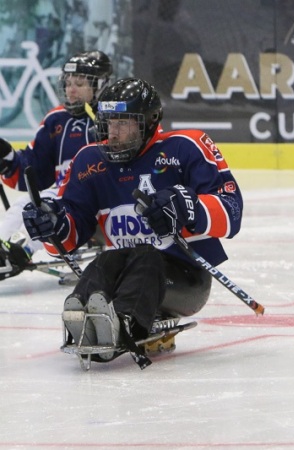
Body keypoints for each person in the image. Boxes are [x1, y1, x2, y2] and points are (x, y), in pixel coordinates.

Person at [22, 77, 243, 368]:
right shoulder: (90, 160)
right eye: (108, 122)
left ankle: (122, 320)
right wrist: (53, 225)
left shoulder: (185, 147)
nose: (113, 132)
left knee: (146, 256)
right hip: (125, 272)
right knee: (103, 262)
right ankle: (82, 311)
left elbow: (232, 212)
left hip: (185, 279)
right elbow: (71, 231)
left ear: (149, 122)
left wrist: (187, 207)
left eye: (123, 122)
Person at [0, 50, 112, 280]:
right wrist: (9, 159)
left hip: (102, 206)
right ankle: (4, 250)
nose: (71, 89)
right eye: (68, 83)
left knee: (48, 209)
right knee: (24, 206)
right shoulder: (56, 119)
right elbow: (35, 169)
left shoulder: (112, 118)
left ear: (99, 85)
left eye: (79, 83)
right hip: (64, 195)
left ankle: (23, 250)